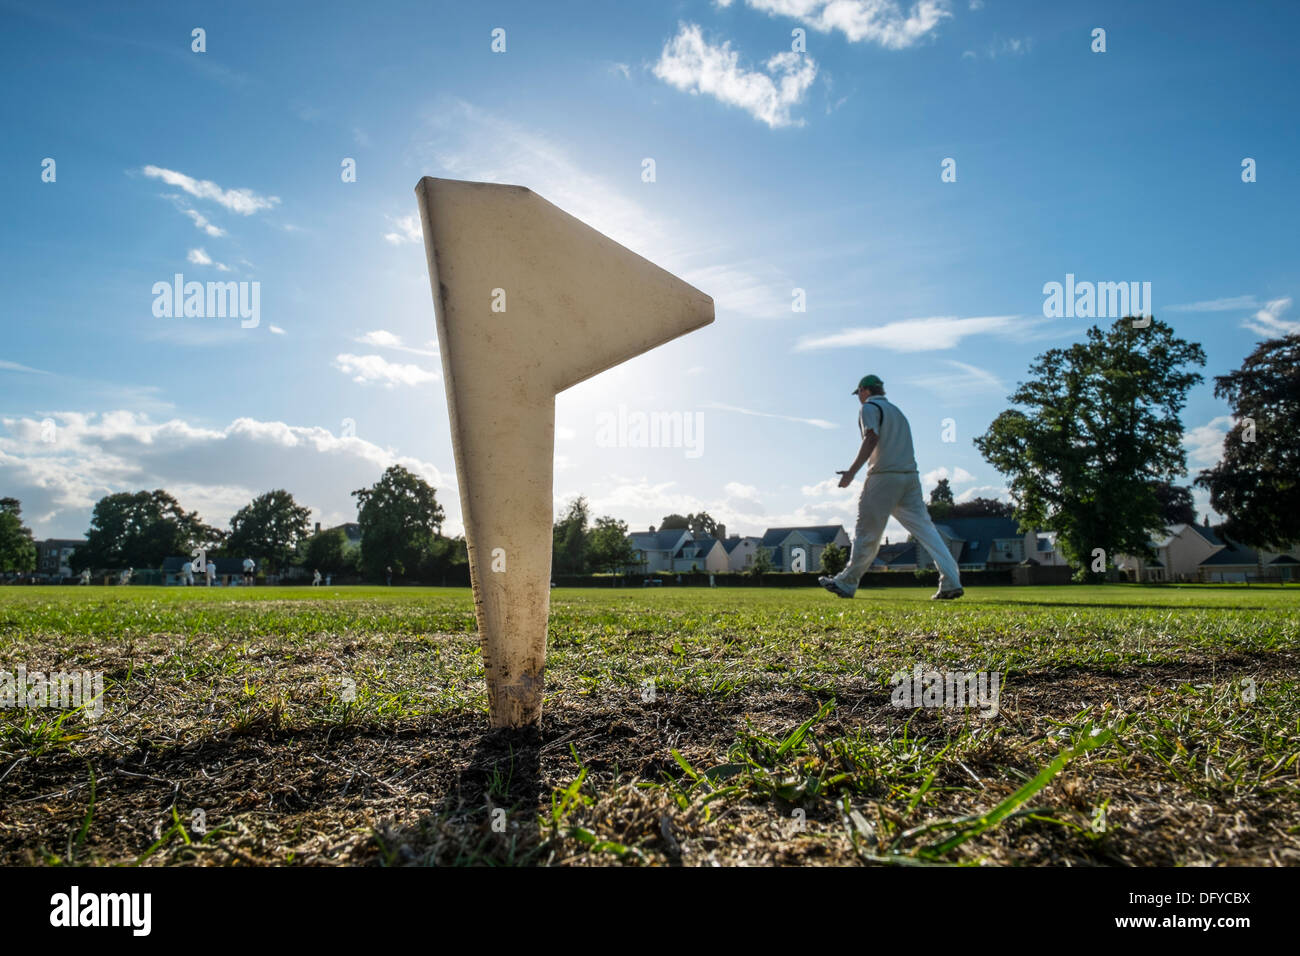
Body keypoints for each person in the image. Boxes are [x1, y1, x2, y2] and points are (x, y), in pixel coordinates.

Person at [819, 374, 963, 601]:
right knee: (927, 532)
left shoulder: (868, 408)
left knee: (867, 533)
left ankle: (846, 583)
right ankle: (951, 581)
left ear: (865, 391)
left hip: (883, 477)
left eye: (858, 394)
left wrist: (851, 472)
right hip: (910, 478)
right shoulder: (898, 412)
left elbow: (871, 437)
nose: (859, 398)